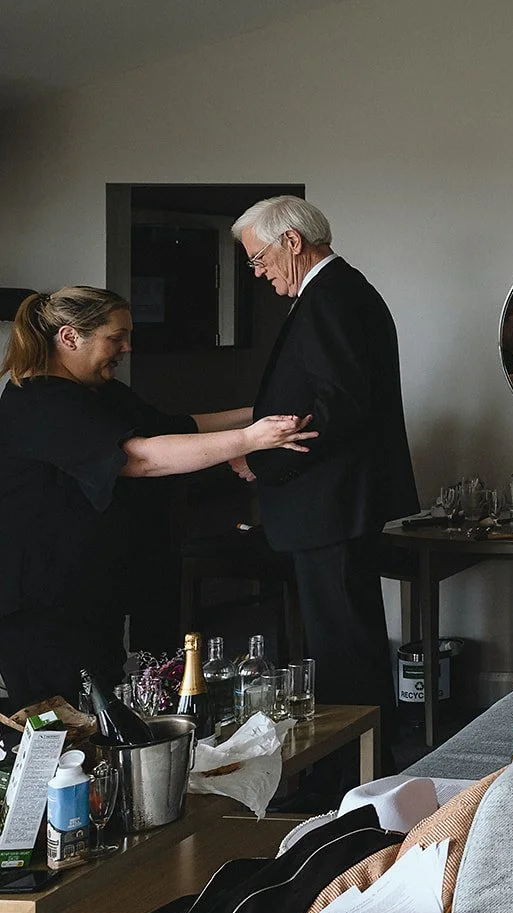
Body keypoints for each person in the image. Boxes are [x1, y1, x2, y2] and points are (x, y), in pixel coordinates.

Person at [0, 287, 315, 709]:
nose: (127, 348)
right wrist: (250, 439)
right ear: (70, 337)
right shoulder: (38, 401)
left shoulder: (101, 391)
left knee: (104, 714)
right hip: (40, 604)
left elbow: (173, 428)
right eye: (116, 337)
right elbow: (141, 458)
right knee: (61, 725)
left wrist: (262, 415)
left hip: (89, 591)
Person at [230, 196, 419, 774]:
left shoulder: (331, 296)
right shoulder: (341, 291)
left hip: (329, 505)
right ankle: (362, 771)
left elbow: (339, 406)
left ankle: (351, 778)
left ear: (292, 241)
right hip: (334, 504)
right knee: (347, 643)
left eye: (258, 258)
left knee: (344, 651)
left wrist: (262, 461)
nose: (258, 273)